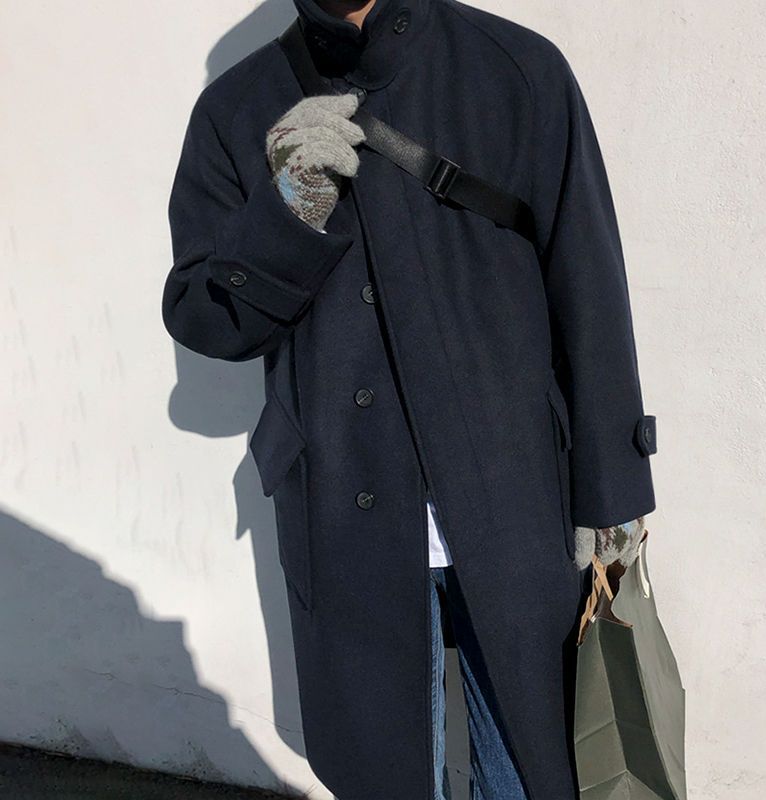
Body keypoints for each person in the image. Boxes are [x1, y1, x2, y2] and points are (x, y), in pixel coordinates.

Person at [162, 1, 658, 798]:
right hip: (341, 509)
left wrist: (613, 489)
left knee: (538, 772)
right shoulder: (238, 106)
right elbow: (207, 321)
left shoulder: (516, 69)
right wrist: (289, 206)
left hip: (518, 496)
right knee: (383, 771)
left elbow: (587, 278)